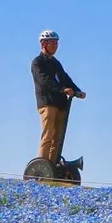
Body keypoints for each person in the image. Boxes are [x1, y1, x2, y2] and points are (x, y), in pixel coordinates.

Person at [31, 30, 85, 162]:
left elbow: (65, 78)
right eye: (52, 43)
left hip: (61, 104)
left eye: (56, 43)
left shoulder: (55, 63)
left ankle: (52, 167)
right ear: (44, 44)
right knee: (48, 136)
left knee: (58, 138)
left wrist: (77, 91)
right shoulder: (37, 62)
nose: (55, 46)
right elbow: (45, 81)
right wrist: (63, 89)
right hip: (48, 103)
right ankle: (42, 167)